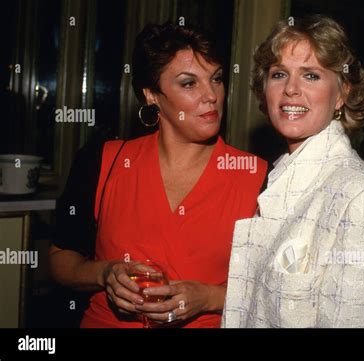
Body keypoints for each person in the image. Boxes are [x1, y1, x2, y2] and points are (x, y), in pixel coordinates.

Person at [49, 21, 267, 328]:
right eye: (189, 83)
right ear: (152, 94)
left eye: (216, 79)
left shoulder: (258, 177)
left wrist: (209, 298)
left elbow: (279, 289)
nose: (212, 96)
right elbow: (61, 259)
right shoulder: (104, 161)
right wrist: (106, 273)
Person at [222, 15, 364, 328]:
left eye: (310, 76)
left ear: (341, 94)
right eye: (279, 73)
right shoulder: (282, 181)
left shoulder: (363, 202)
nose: (291, 90)